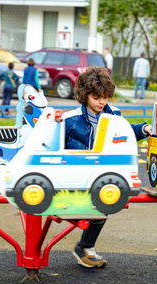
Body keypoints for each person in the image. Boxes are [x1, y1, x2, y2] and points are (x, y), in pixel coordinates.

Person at [63, 66, 152, 268]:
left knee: (105, 200)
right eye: (96, 97)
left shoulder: (114, 114)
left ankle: (86, 247)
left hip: (99, 173)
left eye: (105, 97)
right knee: (97, 203)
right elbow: (55, 147)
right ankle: (85, 246)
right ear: (85, 95)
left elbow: (126, 133)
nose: (101, 102)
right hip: (74, 174)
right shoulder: (70, 119)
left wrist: (145, 129)